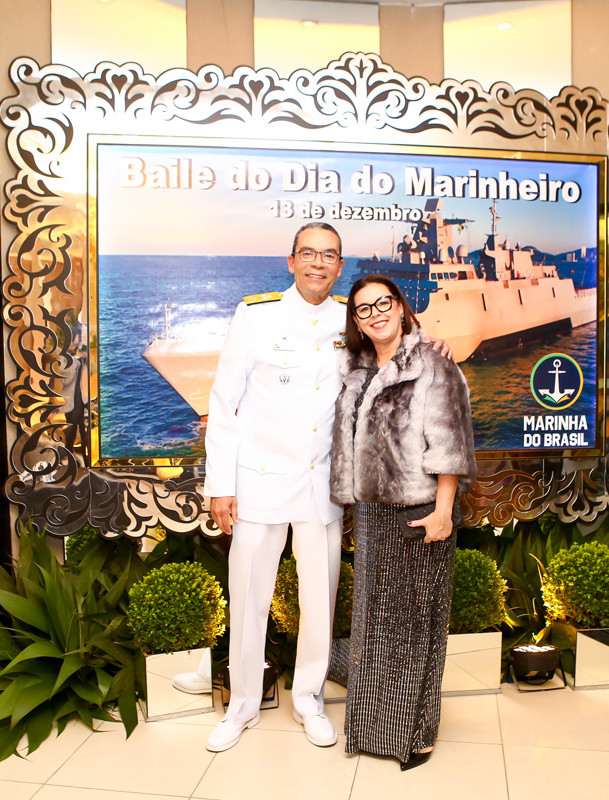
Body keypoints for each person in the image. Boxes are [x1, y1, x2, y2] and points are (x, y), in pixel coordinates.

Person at [199, 222, 349, 752]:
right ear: (291, 261)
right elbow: (224, 403)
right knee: (249, 597)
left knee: (319, 599)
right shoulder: (256, 314)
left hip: (320, 484)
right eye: (308, 253)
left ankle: (309, 698)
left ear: (339, 266)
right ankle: (242, 704)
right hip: (259, 480)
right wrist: (221, 485)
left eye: (328, 255)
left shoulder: (349, 318)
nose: (317, 263)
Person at [330, 274, 477, 771]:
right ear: (355, 320)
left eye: (383, 303)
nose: (375, 314)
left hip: (420, 510)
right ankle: (372, 730)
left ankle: (418, 734)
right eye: (363, 308)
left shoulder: (433, 362)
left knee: (417, 628)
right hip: (373, 514)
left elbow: (451, 442)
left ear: (400, 306)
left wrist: (443, 511)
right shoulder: (355, 368)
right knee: (375, 626)